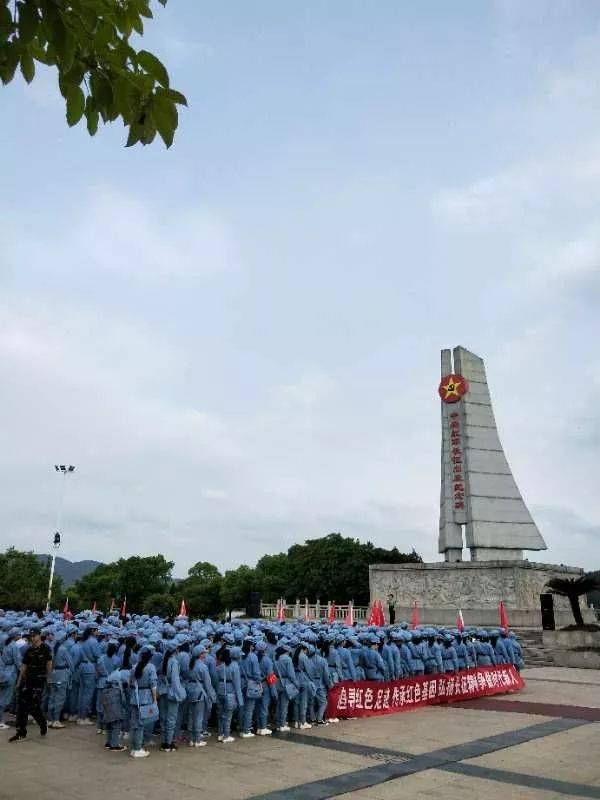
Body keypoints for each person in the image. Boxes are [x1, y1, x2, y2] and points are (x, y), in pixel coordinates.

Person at [10, 626, 52, 742]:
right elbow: (24, 667)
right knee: (22, 706)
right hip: (28, 681)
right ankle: (21, 732)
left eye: (34, 636)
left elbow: (49, 664)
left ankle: (42, 723)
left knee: (33, 706)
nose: (32, 638)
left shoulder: (46, 648)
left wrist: (49, 679)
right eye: (31, 636)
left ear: (39, 635)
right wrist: (19, 683)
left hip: (39, 681)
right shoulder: (29, 650)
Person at [128, 645, 158, 758]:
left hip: (135, 697)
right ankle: (138, 748)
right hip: (146, 698)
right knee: (141, 724)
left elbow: (130, 682)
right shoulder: (151, 667)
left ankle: (134, 747)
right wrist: (155, 699)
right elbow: (153, 685)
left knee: (135, 723)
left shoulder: (135, 666)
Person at [214, 646, 243, 744]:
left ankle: (220, 734)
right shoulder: (235, 666)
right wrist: (240, 700)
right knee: (228, 715)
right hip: (230, 692)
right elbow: (237, 684)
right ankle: (226, 735)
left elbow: (215, 680)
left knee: (221, 715)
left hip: (220, 691)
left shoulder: (220, 666)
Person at [47, 630, 73, 728]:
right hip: (62, 675)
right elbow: (71, 663)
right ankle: (56, 720)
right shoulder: (63, 649)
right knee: (60, 698)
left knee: (52, 697)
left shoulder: (52, 647)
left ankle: (49, 719)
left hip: (53, 674)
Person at [0, 630, 22, 730]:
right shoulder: (14, 646)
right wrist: (23, 672)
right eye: (18, 634)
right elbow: (18, 662)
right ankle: (0, 722)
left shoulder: (5, 644)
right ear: (15, 636)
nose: (19, 636)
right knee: (5, 699)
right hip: (10, 673)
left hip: (3, 670)